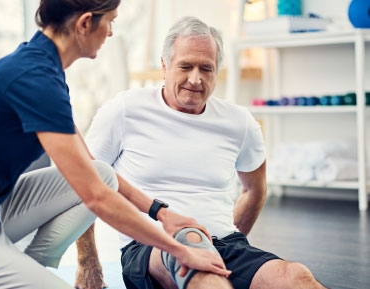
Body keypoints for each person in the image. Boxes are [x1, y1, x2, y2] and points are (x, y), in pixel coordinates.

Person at [0, 2, 229, 288]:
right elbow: (95, 198)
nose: (110, 32)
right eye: (109, 21)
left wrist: (161, 213)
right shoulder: (35, 81)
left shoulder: (43, 68)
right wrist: (178, 250)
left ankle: (29, 266)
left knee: (102, 172)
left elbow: (91, 169)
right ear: (86, 23)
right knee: (97, 185)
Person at [85, 16, 328, 289]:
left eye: (206, 69)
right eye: (185, 66)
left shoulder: (240, 122)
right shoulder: (125, 110)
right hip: (150, 248)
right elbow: (84, 180)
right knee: (205, 275)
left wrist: (223, 240)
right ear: (164, 66)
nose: (196, 79)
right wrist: (88, 262)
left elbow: (253, 190)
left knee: (295, 277)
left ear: (217, 71)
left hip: (224, 243)